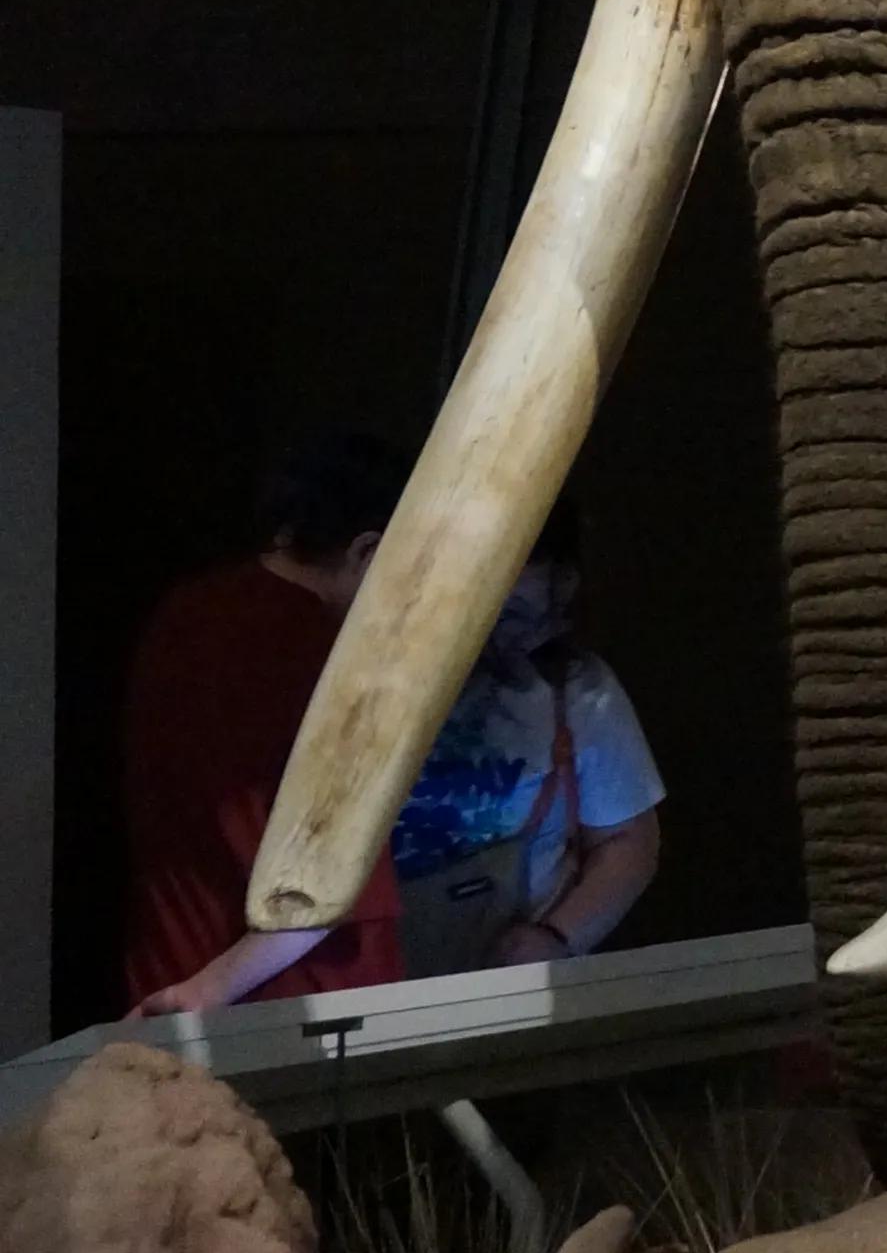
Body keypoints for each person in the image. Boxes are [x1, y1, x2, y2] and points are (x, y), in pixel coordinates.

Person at [119, 428, 412, 1016]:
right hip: (288, 1008)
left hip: (167, 965)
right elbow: (331, 886)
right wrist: (209, 990)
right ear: (369, 551)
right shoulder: (335, 665)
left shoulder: (183, 611)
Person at [391, 500, 665, 976]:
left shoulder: (577, 691)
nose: (520, 638)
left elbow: (628, 839)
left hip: (512, 979)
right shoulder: (360, 686)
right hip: (371, 984)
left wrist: (558, 937)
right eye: (507, 616)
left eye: (542, 614)